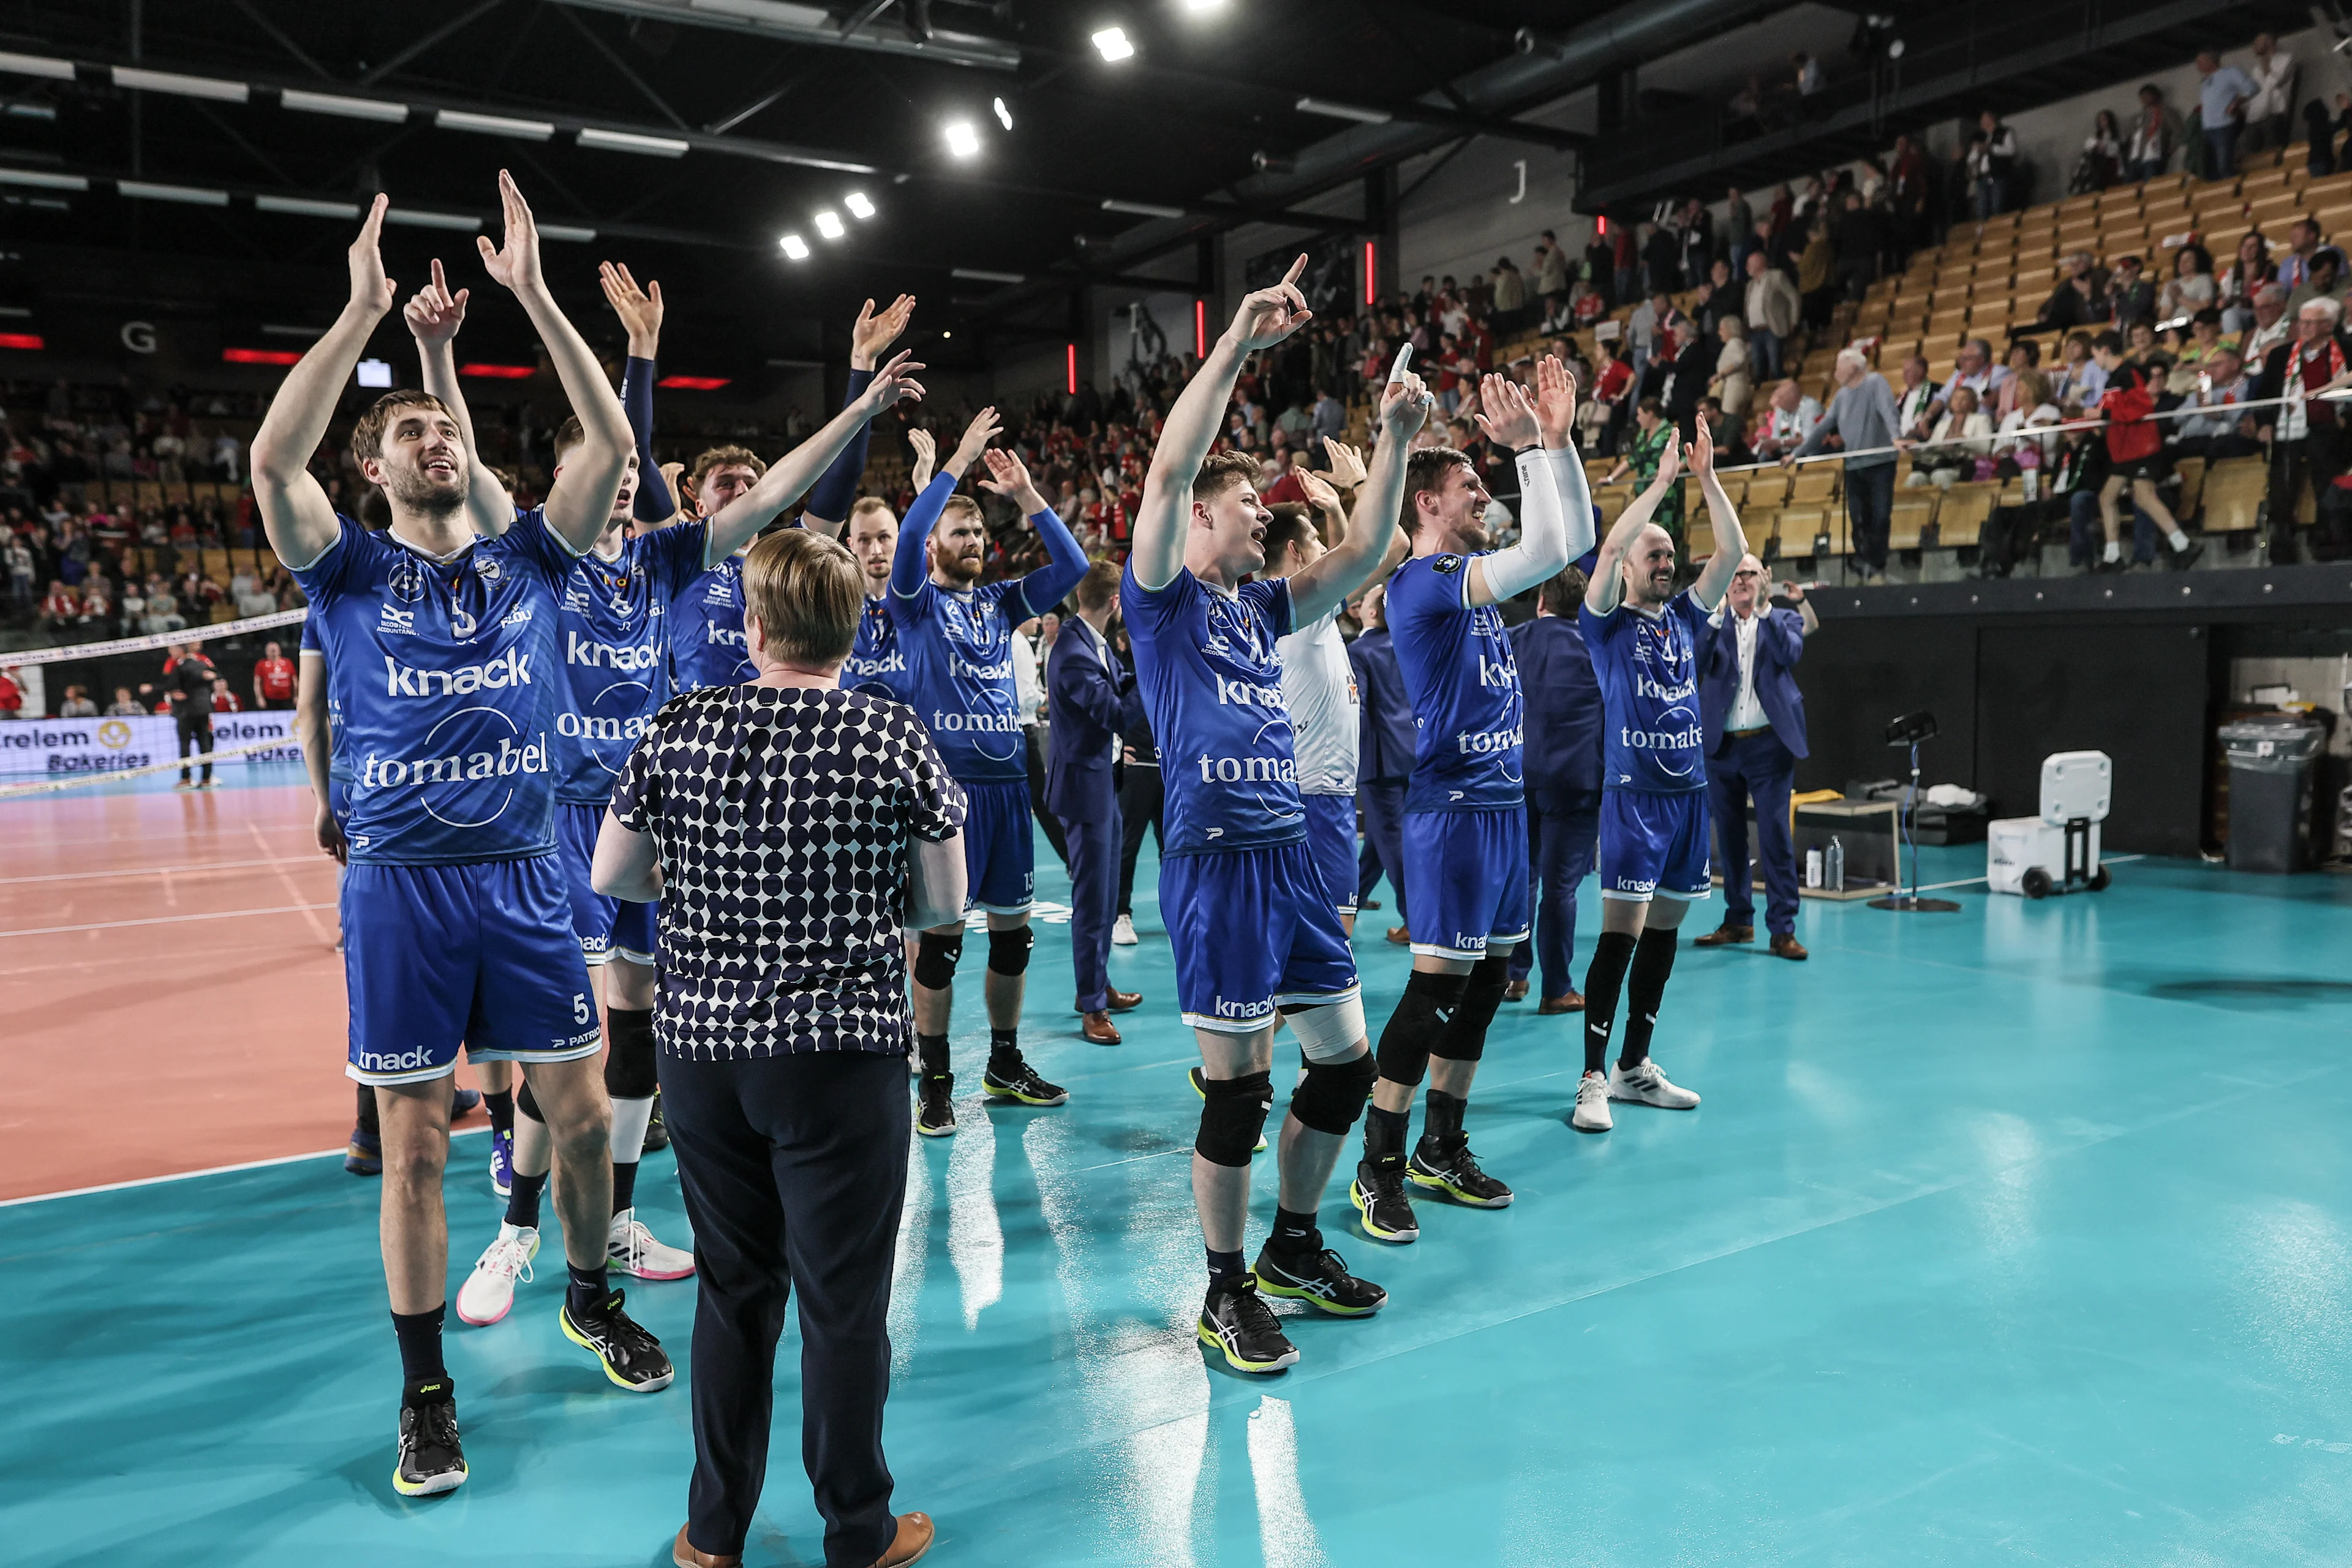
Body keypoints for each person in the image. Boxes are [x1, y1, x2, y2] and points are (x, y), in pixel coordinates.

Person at [249, 179, 714, 1498]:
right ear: (376, 467)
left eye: (443, 420)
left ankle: (584, 1289)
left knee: (575, 1118)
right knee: (408, 1145)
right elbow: (271, 464)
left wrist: (533, 298)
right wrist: (363, 316)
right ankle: (425, 1390)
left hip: (525, 877)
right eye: (407, 426)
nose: (431, 433)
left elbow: (614, 450)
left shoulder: (531, 565)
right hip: (403, 889)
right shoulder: (342, 572)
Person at [592, 526, 957, 1568]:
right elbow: (944, 904)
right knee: (844, 1304)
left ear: (753, 627)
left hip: (704, 1055)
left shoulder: (678, 726)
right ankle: (859, 1528)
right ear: (853, 628)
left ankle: (714, 1534)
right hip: (841, 1053)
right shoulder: (892, 737)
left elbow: (615, 875)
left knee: (734, 1291)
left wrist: (704, 898)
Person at [1123, 258, 1416, 1373]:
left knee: (1341, 1066)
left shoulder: (1261, 607)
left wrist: (1390, 437)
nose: (1263, 520)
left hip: (1292, 854)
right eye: (1249, 507)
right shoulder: (1163, 602)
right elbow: (1166, 473)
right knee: (1238, 1090)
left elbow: (1361, 552)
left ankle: (1295, 1244)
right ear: (1205, 515)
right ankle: (1224, 1288)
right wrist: (1239, 345)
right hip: (1216, 867)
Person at [1351, 358, 1586, 1245]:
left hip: (1501, 810)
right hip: (1451, 812)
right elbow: (1548, 551)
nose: (1481, 492)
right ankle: (1380, 1161)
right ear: (1426, 507)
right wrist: (1532, 450)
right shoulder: (1422, 584)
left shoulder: (1475, 578)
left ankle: (1442, 1145)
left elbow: (1572, 538)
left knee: (1489, 980)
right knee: (1433, 988)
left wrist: (1556, 447)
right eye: (1467, 485)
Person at [891, 409, 1089, 1137]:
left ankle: (1004, 1061)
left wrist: (1030, 496)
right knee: (941, 944)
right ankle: (934, 1077)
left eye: (979, 532)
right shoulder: (912, 604)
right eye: (960, 532)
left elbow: (1071, 570)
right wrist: (953, 463)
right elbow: (910, 535)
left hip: (1007, 789)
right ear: (938, 542)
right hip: (946, 796)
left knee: (1013, 936)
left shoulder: (1000, 602)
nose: (973, 542)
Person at [1572, 418, 1744, 1136]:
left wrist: (1705, 478)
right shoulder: (1605, 623)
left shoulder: (1683, 620)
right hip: (1634, 802)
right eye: (1656, 553)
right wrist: (1662, 483)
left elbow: (1732, 553)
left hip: (1687, 801)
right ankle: (1590, 1076)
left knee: (1666, 936)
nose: (1666, 561)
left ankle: (1634, 1066)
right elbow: (1611, 544)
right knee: (1621, 937)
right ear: (1628, 566)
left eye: (1672, 553)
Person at [1044, 560, 1144, 1044]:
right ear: (1116, 603)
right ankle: (1092, 1005)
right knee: (1091, 900)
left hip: (1101, 781)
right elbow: (1118, 713)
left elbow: (1118, 683)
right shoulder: (1077, 651)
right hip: (1084, 789)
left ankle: (1098, 984)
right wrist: (1152, 661)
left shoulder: (1089, 642)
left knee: (1104, 895)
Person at [1696, 559, 1815, 962]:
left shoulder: (1783, 618)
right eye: (1732, 574)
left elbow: (1790, 654)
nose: (1739, 581)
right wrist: (1713, 618)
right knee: (1729, 839)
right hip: (1722, 746)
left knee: (1775, 838)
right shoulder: (1712, 623)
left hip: (1769, 746)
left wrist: (1764, 610)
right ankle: (1738, 919)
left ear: (1763, 578)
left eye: (1747, 573)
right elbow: (1692, 662)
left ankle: (1783, 929)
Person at [1504, 566, 1603, 1013]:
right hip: (1576, 782)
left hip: (1518, 776)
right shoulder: (1596, 647)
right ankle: (1557, 988)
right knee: (1561, 889)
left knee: (1521, 879)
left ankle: (1513, 976)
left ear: (1541, 601)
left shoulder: (1512, 639)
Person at [2089, 330, 2201, 570]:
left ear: (2105, 351)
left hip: (2140, 446)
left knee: (2144, 496)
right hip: (2126, 448)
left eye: (2095, 354)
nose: (2095, 361)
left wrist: (2103, 415)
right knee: (2107, 497)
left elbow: (2142, 407)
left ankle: (2182, 545)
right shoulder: (2114, 379)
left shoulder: (2129, 374)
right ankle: (2113, 556)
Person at [1789, 349, 1902, 582]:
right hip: (1854, 465)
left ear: (1854, 367)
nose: (1835, 372)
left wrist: (1896, 437)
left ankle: (1876, 565)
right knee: (1859, 518)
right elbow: (1824, 427)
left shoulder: (1875, 382)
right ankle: (1866, 565)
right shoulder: (1841, 396)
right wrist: (1797, 453)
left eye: (1839, 366)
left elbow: (1887, 409)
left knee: (1880, 516)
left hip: (1880, 462)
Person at [2255, 295, 2352, 564]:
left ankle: (2329, 536)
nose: (2304, 327)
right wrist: (2264, 422)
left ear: (2329, 324)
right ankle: (2283, 538)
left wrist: (2346, 415)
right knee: (2282, 479)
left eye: (2312, 322)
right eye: (2302, 322)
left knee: (2326, 470)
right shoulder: (2280, 355)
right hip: (2289, 426)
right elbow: (2266, 395)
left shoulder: (2347, 349)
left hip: (2332, 428)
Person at [1349, 581, 1414, 942]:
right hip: (1414, 755)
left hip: (1380, 762)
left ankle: (1416, 922)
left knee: (1394, 845)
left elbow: (1355, 709)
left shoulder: (1358, 652)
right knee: (1380, 841)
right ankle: (1348, 902)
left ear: (1371, 612)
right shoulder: (1410, 646)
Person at [164, 639, 218, 790]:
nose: (170, 652)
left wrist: (166, 690)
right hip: (203, 710)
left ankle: (186, 779)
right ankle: (207, 778)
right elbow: (215, 676)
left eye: (172, 649)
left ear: (181, 650)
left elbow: (170, 685)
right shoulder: (202, 664)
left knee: (185, 744)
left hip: (186, 711)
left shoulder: (181, 667)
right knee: (205, 743)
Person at [2195, 50, 2257, 178]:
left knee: (2225, 165)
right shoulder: (2206, 82)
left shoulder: (2230, 73)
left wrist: (2237, 102)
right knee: (2210, 169)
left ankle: (2234, 189)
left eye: (2200, 61)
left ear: (2211, 61)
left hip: (2224, 125)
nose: (2197, 65)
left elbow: (2252, 88)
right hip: (2208, 128)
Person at [1743, 251, 1799, 383]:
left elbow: (1793, 297)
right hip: (1755, 332)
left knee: (1775, 368)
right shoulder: (1750, 285)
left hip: (1772, 329)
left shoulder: (1777, 277)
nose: (1747, 268)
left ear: (1760, 263)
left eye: (1749, 264)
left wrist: (1793, 320)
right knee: (1758, 371)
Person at [2243, 34, 2296, 156]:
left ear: (2269, 42)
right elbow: (2253, 92)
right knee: (2253, 156)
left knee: (2274, 152)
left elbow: (2275, 82)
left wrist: (2266, 64)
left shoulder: (2286, 59)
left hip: (2274, 113)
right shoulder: (2257, 68)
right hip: (2254, 116)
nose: (2254, 46)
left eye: (2258, 42)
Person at [251, 639, 296, 710]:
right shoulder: (262, 664)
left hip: (287, 699)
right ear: (267, 652)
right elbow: (257, 683)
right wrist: (259, 698)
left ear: (279, 651)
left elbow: (294, 681)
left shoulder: (287, 663)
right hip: (269, 700)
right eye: (271, 650)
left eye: (275, 650)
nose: (273, 652)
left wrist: (296, 696)